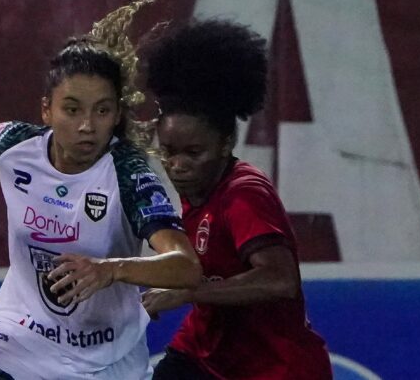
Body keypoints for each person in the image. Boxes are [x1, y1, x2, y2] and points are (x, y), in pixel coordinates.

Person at [0, 0, 202, 380]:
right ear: (47, 110)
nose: (87, 126)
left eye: (101, 111)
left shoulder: (129, 174)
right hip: (23, 331)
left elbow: (185, 266)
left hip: (106, 355)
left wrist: (110, 270)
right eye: (72, 109)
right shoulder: (18, 146)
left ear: (116, 114)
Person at [141, 20, 332, 379]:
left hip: (275, 368)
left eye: (193, 152)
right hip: (206, 353)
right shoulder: (197, 188)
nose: (177, 165)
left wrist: (187, 292)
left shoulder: (244, 195)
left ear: (226, 142)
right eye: (168, 151)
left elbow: (279, 280)